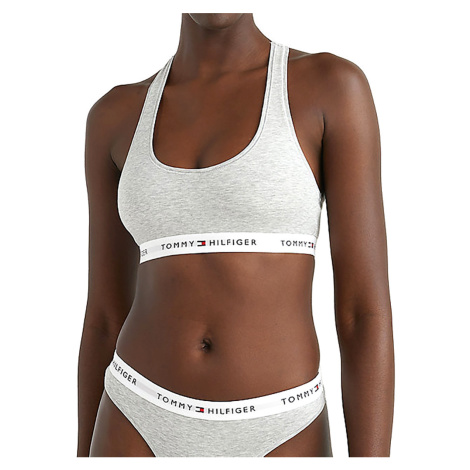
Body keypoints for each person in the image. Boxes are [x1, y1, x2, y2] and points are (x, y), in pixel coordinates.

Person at [77, 13, 395, 457]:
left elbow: (363, 313)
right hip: (134, 414)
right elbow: (104, 317)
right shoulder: (114, 115)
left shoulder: (331, 87)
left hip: (282, 425)